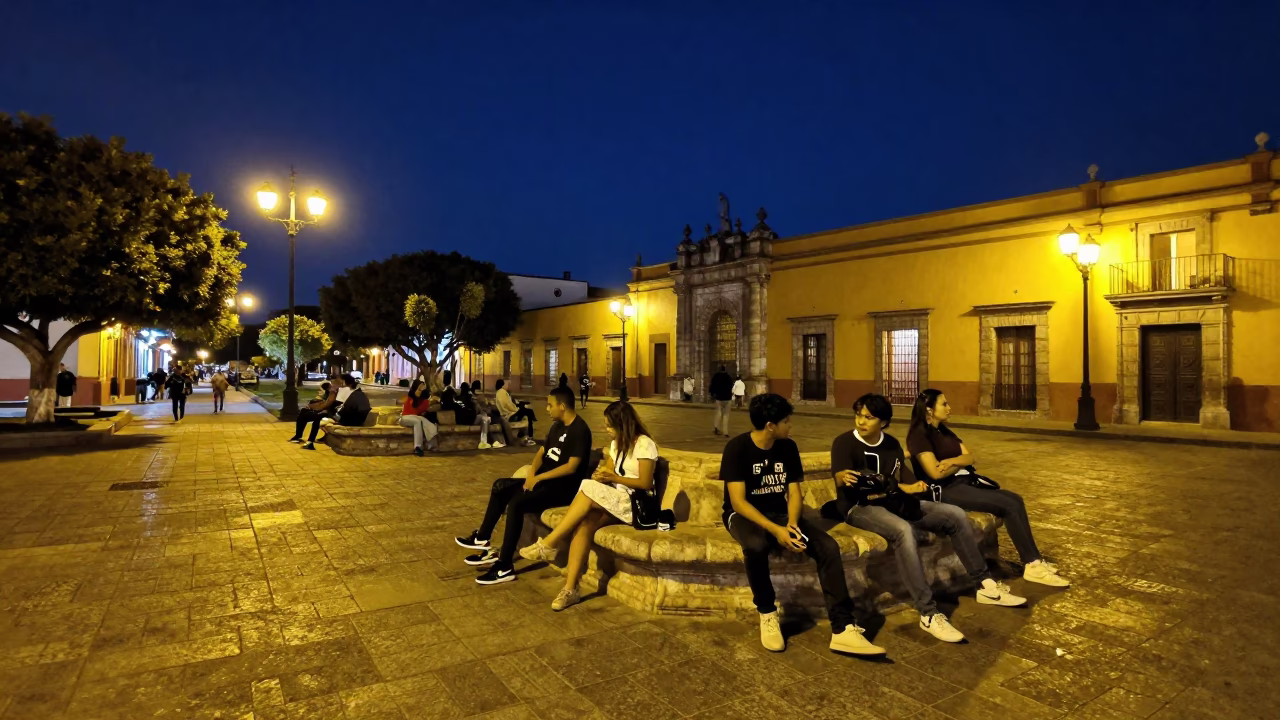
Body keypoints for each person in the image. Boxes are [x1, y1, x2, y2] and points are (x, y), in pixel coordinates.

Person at [832, 393, 1025, 644]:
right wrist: (844, 477)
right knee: (903, 530)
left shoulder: (890, 444)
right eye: (858, 415)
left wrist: (913, 487)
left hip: (893, 501)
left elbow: (899, 479)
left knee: (954, 514)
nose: (861, 421)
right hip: (859, 506)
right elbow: (840, 478)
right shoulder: (844, 443)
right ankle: (929, 613)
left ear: (884, 421)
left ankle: (985, 584)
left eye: (868, 417)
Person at [720, 393, 884, 655]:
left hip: (781, 513)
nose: (790, 425)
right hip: (743, 515)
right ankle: (767, 612)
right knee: (755, 545)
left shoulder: (788, 447)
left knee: (828, 547)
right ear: (771, 425)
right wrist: (776, 530)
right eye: (786, 421)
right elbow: (738, 502)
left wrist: (793, 525)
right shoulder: (737, 448)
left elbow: (794, 493)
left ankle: (842, 628)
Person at [906, 389, 1069, 588]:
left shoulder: (944, 431)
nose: (949, 408)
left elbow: (970, 456)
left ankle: (1034, 559)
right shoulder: (919, 436)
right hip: (945, 490)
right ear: (929, 410)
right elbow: (935, 474)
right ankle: (1032, 564)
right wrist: (958, 464)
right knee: (1007, 505)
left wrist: (952, 461)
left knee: (1015, 499)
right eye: (944, 404)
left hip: (963, 482)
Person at [519, 401, 659, 610]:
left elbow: (646, 483)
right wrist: (603, 475)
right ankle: (570, 589)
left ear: (623, 424)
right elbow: (610, 471)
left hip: (636, 505)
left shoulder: (644, 444)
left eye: (610, 426)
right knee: (584, 524)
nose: (607, 430)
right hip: (614, 500)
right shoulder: (616, 444)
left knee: (586, 486)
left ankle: (549, 544)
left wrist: (614, 478)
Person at [455, 386, 593, 585]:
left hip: (562, 489)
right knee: (500, 486)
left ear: (562, 406)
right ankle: (482, 538)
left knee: (517, 504)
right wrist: (531, 475)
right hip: (543, 481)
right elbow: (541, 453)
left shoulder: (580, 430)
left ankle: (504, 566)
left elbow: (571, 467)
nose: (547, 409)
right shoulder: (557, 426)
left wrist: (540, 478)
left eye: (550, 405)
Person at [307, 374, 371, 449]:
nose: (336, 383)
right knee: (320, 417)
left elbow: (337, 405)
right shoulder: (355, 390)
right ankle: (316, 440)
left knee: (318, 419)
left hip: (347, 419)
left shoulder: (345, 390)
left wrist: (333, 415)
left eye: (338, 381)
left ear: (344, 381)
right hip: (352, 418)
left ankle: (310, 442)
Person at [399, 379, 438, 456]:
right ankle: (418, 447)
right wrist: (419, 390)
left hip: (415, 418)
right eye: (420, 387)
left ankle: (431, 444)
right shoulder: (410, 396)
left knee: (421, 420)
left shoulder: (424, 400)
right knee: (418, 421)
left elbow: (421, 411)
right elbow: (414, 401)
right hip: (405, 418)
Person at [494, 379, 538, 447]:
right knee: (527, 412)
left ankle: (524, 436)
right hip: (509, 415)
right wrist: (516, 409)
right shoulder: (502, 392)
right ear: (503, 385)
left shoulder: (498, 393)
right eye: (507, 385)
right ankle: (528, 437)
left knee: (527, 414)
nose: (508, 386)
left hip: (507, 415)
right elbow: (508, 405)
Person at [710, 365, 733, 436]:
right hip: (727, 398)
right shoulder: (728, 377)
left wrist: (712, 394)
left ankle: (716, 427)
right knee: (726, 415)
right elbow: (731, 386)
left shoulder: (716, 377)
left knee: (718, 413)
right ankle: (725, 432)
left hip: (719, 398)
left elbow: (712, 386)